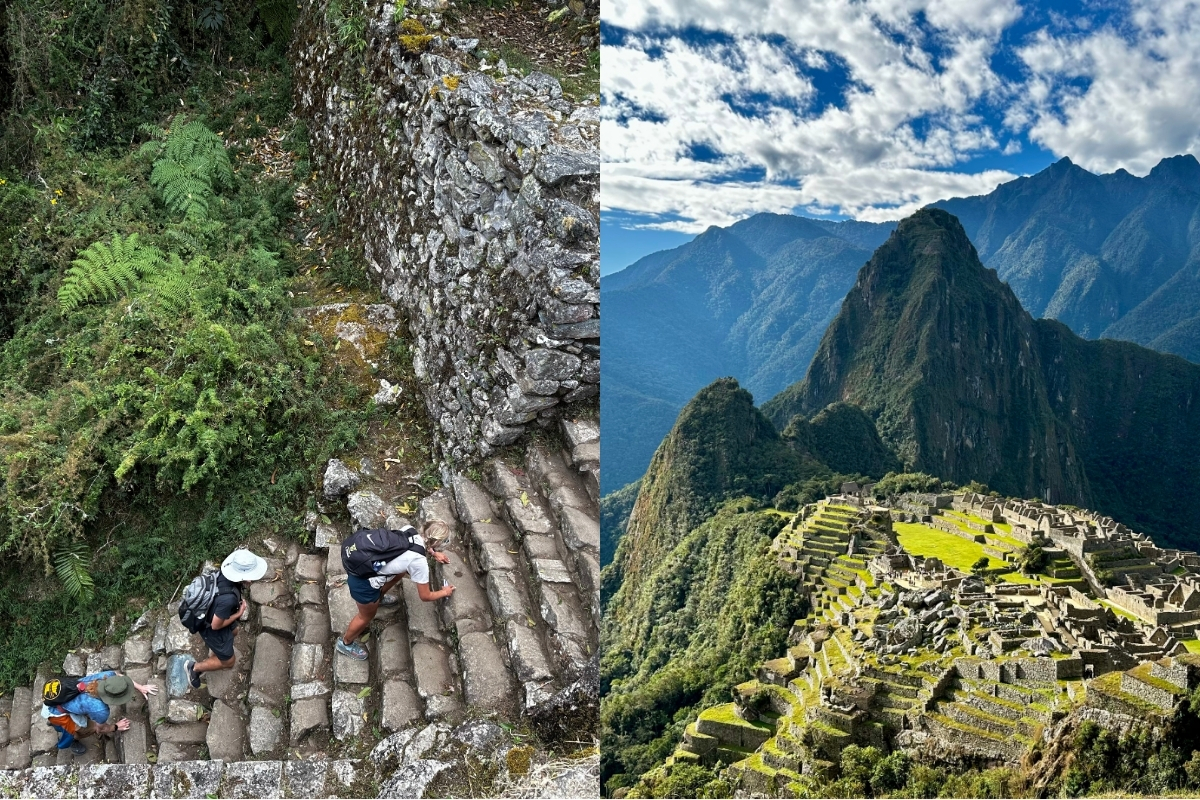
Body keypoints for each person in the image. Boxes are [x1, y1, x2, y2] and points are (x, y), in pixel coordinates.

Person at [335, 521, 456, 661]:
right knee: (365, 616)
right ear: (436, 542)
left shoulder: (409, 530)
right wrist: (445, 592)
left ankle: (379, 597)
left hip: (361, 570)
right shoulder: (419, 562)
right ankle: (345, 643)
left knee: (401, 572)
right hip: (363, 585)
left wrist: (433, 553)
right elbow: (425, 595)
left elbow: (410, 549)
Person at [187, 548, 268, 689]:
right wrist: (238, 613)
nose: (252, 580)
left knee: (234, 631)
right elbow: (216, 625)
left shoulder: (223, 575)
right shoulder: (229, 599)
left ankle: (215, 650)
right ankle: (194, 668)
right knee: (229, 662)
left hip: (213, 613)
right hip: (211, 627)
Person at [42, 672, 157, 755]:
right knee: (84, 729)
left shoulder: (107, 676)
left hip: (58, 699)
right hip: (57, 713)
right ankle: (72, 739)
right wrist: (115, 727)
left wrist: (140, 687)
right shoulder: (100, 709)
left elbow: (119, 676)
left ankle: (56, 724)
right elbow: (100, 729)